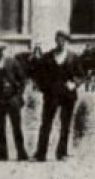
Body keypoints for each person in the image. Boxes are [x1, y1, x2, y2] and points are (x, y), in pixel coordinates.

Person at [33, 30, 81, 161]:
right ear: (56, 41)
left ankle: (62, 153)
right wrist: (45, 88)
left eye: (64, 40)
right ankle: (40, 153)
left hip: (68, 95)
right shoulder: (47, 57)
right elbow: (39, 75)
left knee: (65, 124)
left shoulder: (73, 57)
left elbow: (80, 75)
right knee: (46, 124)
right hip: (51, 95)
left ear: (67, 42)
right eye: (59, 40)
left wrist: (74, 84)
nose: (61, 42)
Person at [0, 39, 30, 161]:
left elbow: (22, 80)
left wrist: (18, 95)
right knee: (0, 128)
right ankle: (2, 154)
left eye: (1, 50)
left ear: (5, 50)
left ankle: (21, 153)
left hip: (13, 99)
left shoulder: (13, 62)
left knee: (16, 127)